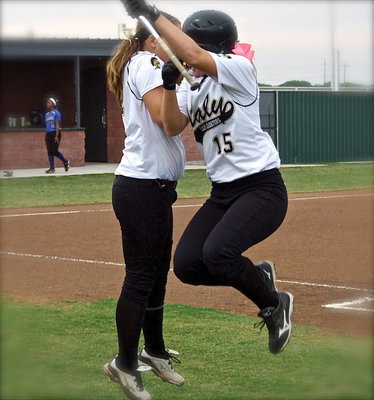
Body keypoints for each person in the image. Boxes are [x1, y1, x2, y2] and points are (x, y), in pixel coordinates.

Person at [123, 1, 294, 357]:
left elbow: (197, 57)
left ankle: (274, 305)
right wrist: (169, 86)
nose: (184, 52)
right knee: (187, 265)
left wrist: (149, 13)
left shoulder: (238, 67)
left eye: (189, 41)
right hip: (223, 192)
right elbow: (172, 125)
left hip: (260, 186)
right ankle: (258, 278)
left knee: (218, 253)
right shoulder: (191, 86)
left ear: (209, 44)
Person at [103, 12, 186, 400]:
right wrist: (179, 98)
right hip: (141, 187)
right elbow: (168, 123)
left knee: (155, 275)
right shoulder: (151, 63)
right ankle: (123, 362)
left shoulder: (144, 64)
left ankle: (152, 350)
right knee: (140, 276)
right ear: (154, 40)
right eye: (172, 33)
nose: (179, 40)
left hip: (152, 187)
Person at [44, 97, 69, 174]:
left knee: (54, 151)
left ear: (53, 104)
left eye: (49, 102)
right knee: (49, 151)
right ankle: (52, 168)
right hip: (48, 133)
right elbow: (47, 125)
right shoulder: (47, 114)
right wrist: (46, 136)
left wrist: (56, 136)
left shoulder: (57, 113)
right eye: (47, 102)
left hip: (55, 132)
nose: (47, 104)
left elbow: (57, 125)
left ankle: (65, 161)